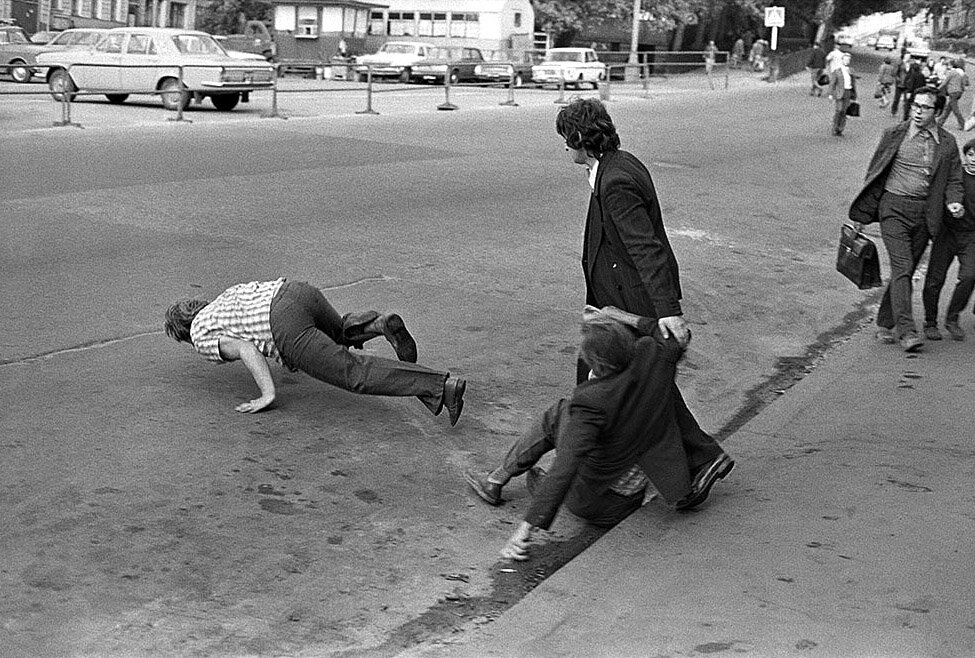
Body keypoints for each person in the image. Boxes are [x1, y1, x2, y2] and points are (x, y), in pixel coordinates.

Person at [465, 307, 734, 561]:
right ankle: (503, 480)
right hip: (632, 493)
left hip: (598, 505)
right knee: (578, 424)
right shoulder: (651, 354)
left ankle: (497, 478)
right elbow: (666, 333)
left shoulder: (591, 403)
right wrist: (614, 315)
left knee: (558, 414)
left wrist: (525, 529)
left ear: (595, 363)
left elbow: (565, 468)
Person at [164, 278, 467, 423]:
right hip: (296, 292)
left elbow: (246, 349)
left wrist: (267, 394)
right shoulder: (222, 301)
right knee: (333, 336)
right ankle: (378, 325)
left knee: (352, 373)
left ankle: (440, 387)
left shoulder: (200, 336)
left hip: (283, 324)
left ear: (182, 332)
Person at [849, 87, 965, 352]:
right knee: (902, 267)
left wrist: (954, 201)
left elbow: (954, 179)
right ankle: (907, 331)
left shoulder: (946, 143)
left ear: (937, 112)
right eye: (915, 105)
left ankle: (884, 322)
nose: (918, 111)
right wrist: (863, 215)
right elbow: (874, 173)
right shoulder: (894, 135)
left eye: (925, 108)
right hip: (893, 209)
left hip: (925, 214)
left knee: (907, 270)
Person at [922, 138, 975, 341]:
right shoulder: (956, 175)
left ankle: (952, 318)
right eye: (970, 155)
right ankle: (930, 321)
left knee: (970, 276)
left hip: (970, 236)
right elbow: (939, 196)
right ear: (965, 156)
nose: (974, 160)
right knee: (935, 279)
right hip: (947, 232)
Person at [828, 52, 856, 137]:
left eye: (848, 60)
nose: (847, 61)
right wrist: (831, 94)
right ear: (842, 60)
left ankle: (840, 129)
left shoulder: (851, 71)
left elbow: (853, 83)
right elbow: (832, 83)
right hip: (840, 92)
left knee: (844, 111)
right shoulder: (837, 71)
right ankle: (834, 128)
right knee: (839, 110)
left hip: (848, 92)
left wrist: (854, 95)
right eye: (845, 59)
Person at [937, 59, 969, 130]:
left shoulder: (952, 72)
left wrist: (937, 89)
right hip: (958, 92)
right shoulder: (961, 73)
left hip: (952, 92)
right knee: (948, 108)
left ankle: (962, 124)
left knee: (955, 109)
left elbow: (945, 82)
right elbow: (965, 83)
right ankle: (940, 122)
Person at [891, 53, 913, 117]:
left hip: (907, 84)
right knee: (896, 99)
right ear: (904, 56)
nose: (908, 58)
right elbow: (894, 73)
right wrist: (898, 79)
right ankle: (894, 111)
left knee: (907, 100)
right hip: (899, 84)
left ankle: (906, 113)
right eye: (907, 56)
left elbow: (911, 73)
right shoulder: (900, 63)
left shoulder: (910, 64)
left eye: (909, 56)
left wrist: (910, 80)